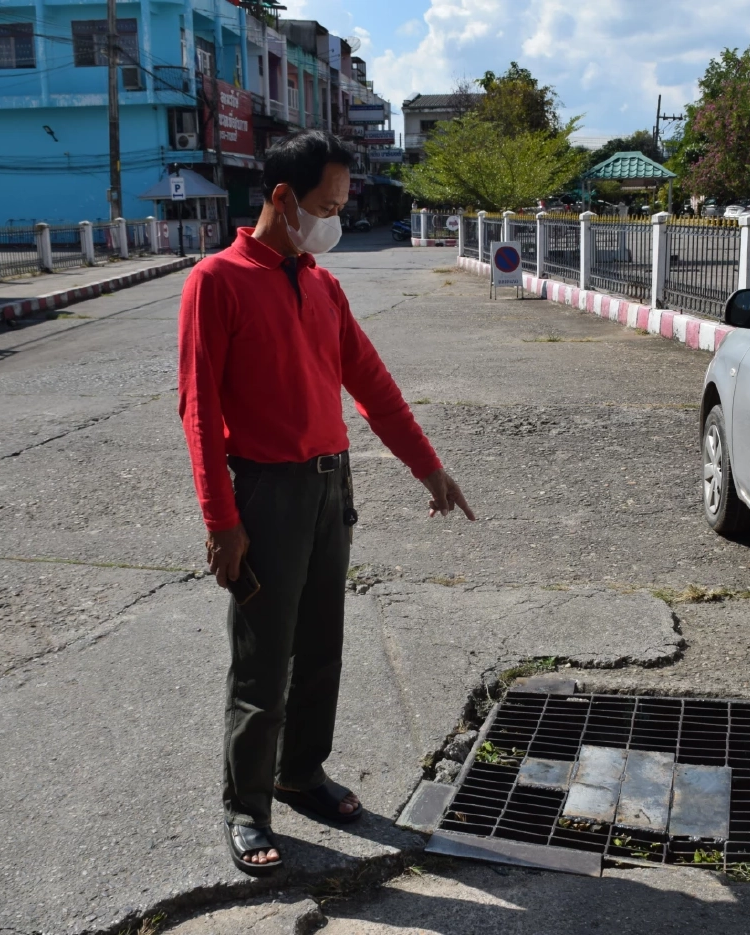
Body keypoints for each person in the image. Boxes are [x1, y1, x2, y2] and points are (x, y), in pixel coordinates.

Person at [177, 130, 475, 876]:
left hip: (327, 485)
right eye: (325, 205)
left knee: (321, 647)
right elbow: (198, 411)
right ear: (281, 198)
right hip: (265, 494)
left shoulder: (322, 285)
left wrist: (428, 467)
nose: (334, 219)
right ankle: (246, 805)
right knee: (261, 660)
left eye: (342, 205)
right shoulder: (216, 281)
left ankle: (299, 771)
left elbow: (371, 386)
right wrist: (222, 522)